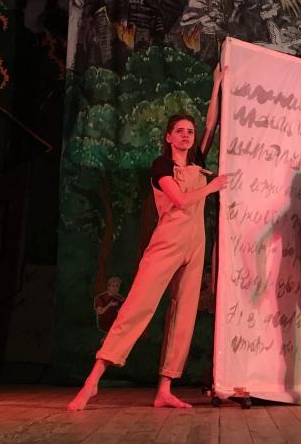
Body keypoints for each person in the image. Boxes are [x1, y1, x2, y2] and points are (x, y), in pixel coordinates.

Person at [68, 66, 227, 411]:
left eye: (189, 131)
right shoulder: (161, 166)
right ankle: (93, 381)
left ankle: (165, 389)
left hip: (195, 244)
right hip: (167, 242)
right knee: (137, 307)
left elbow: (212, 125)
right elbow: (180, 200)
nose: (186, 135)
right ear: (168, 137)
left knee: (183, 316)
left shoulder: (197, 162)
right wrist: (212, 187)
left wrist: (216, 85)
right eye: (180, 131)